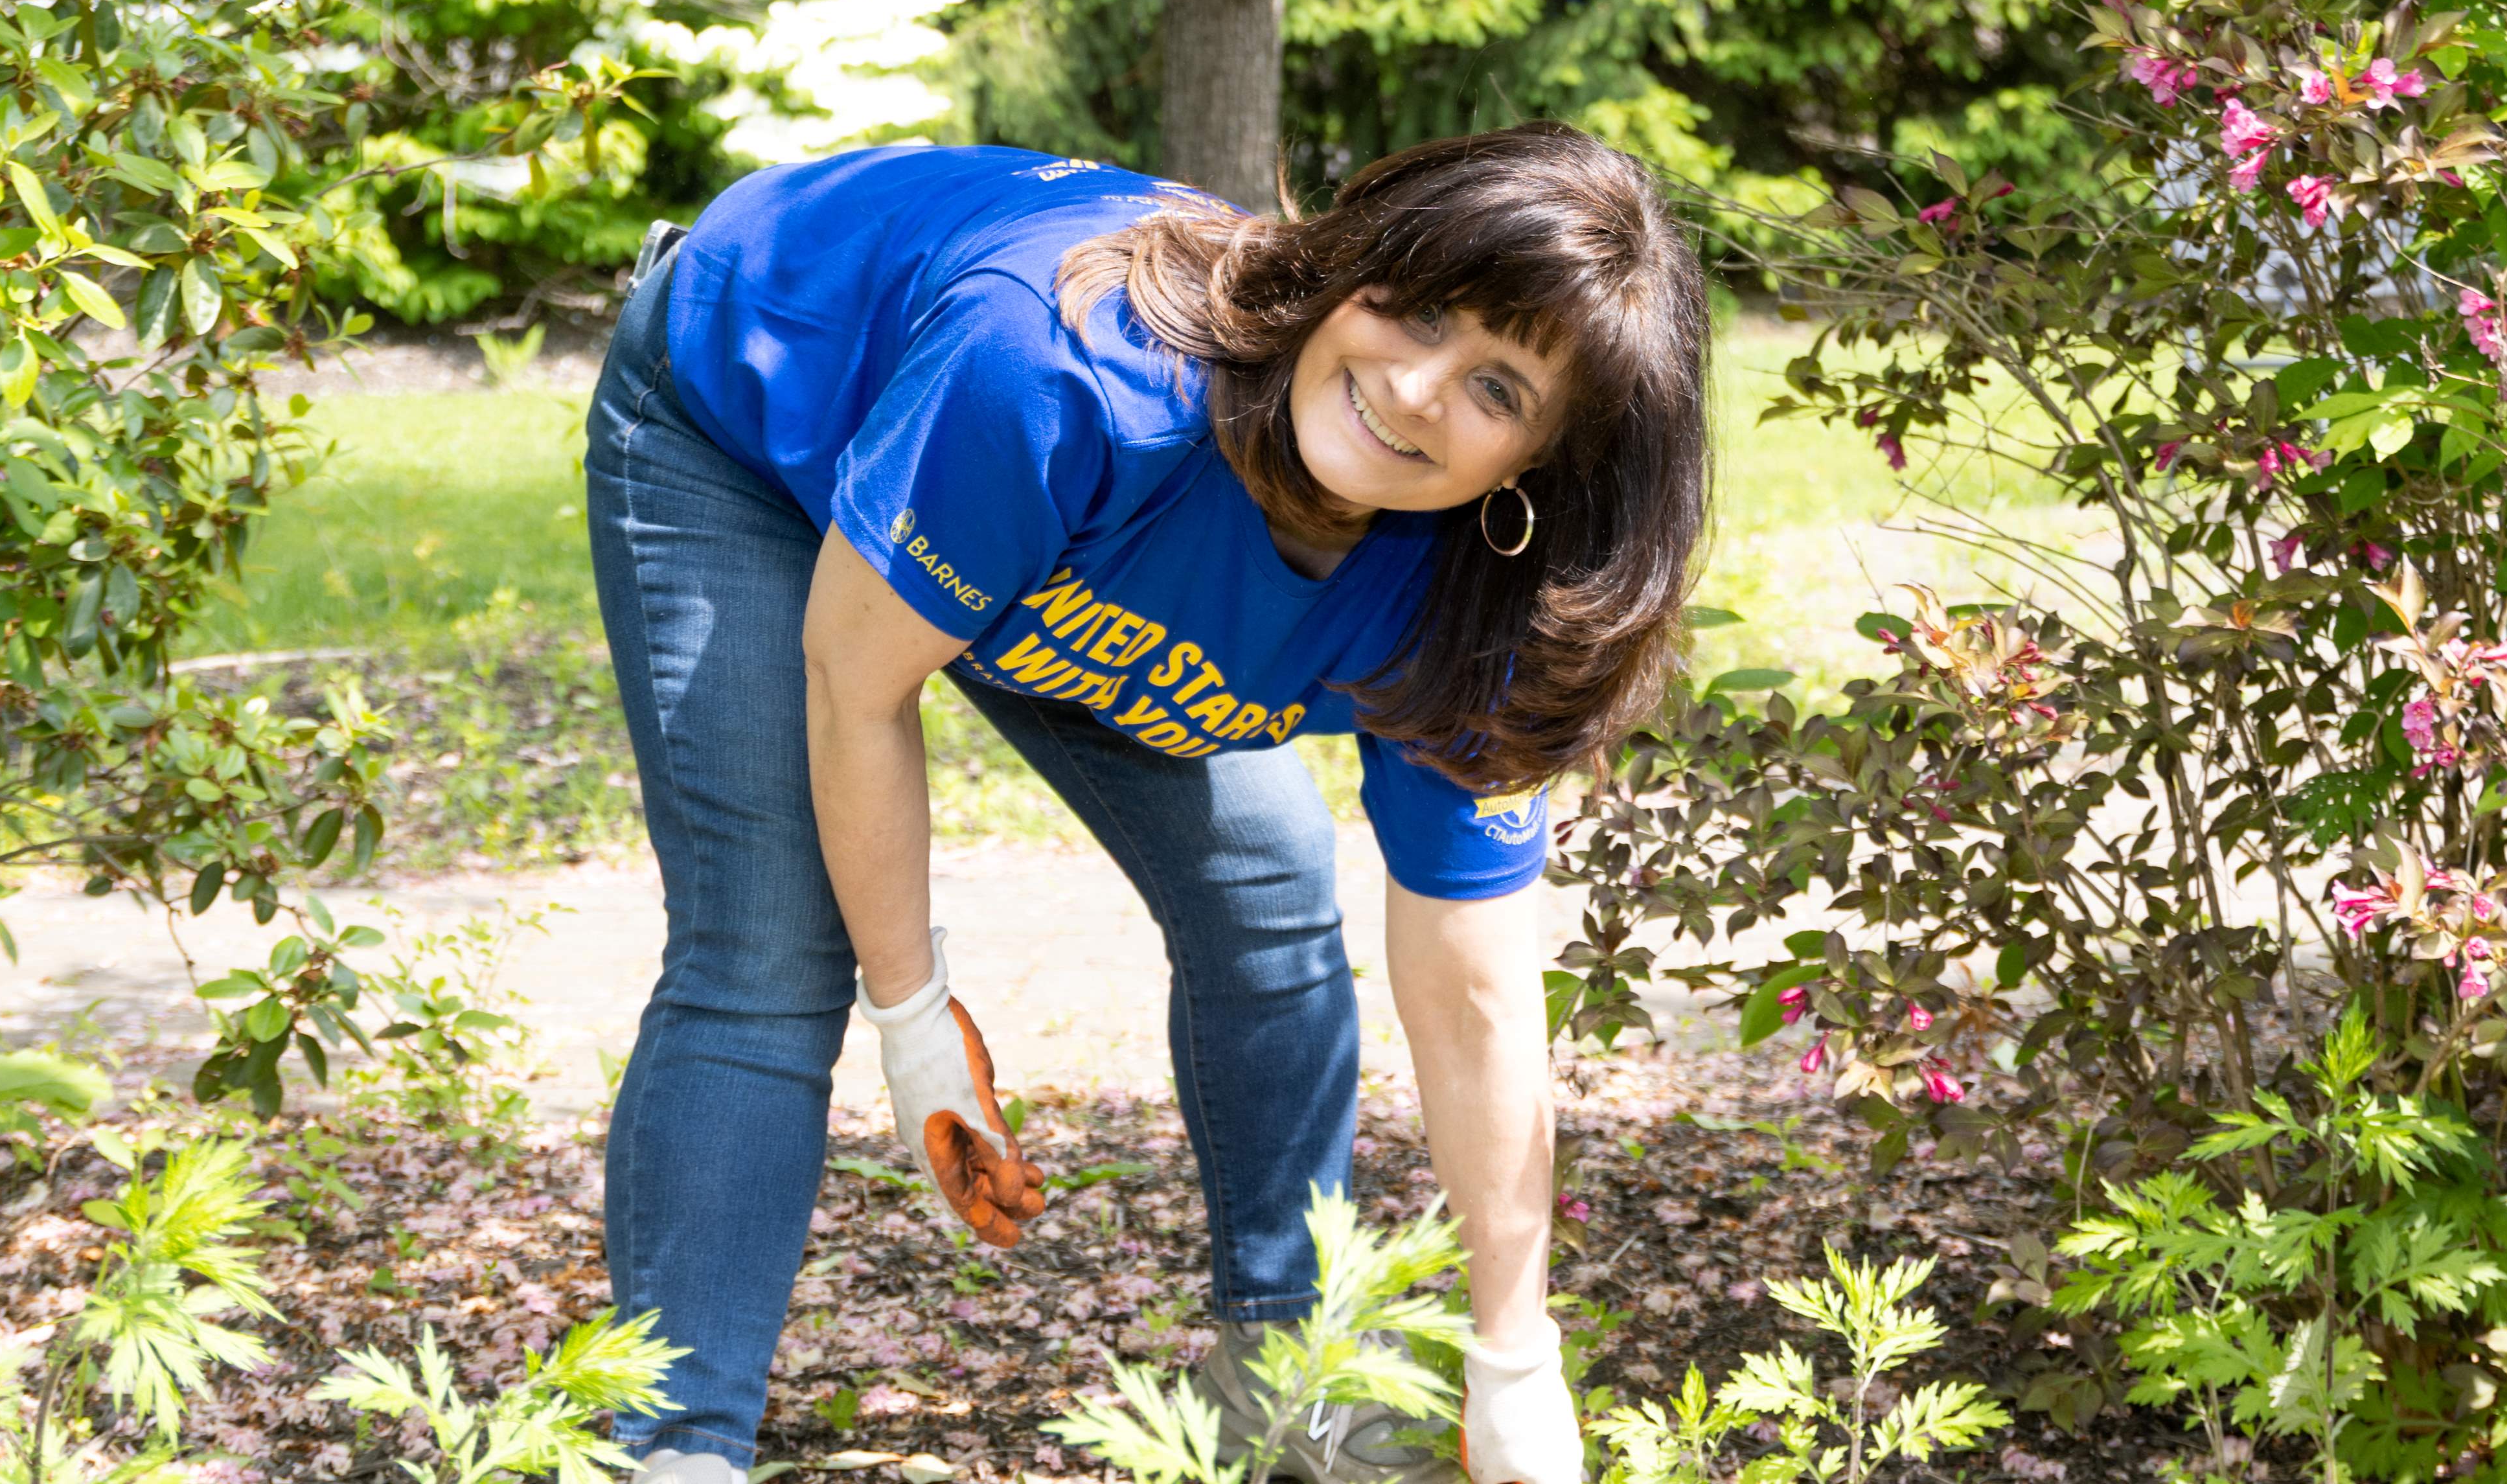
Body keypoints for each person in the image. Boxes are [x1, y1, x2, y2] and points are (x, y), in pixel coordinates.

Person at [582, 124, 1710, 1483]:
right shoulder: (1061, 366)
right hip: (761, 420)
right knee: (772, 949)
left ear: (1542, 462)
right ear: (1348, 266)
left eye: (1495, 385)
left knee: (1270, 889)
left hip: (1058, 541)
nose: (1411, 389)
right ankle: (675, 1448)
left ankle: (1287, 1387)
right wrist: (912, 1013)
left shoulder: (1487, 603)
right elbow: (856, 681)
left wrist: (1514, 1357)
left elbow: (1474, 993)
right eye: (1409, 306)